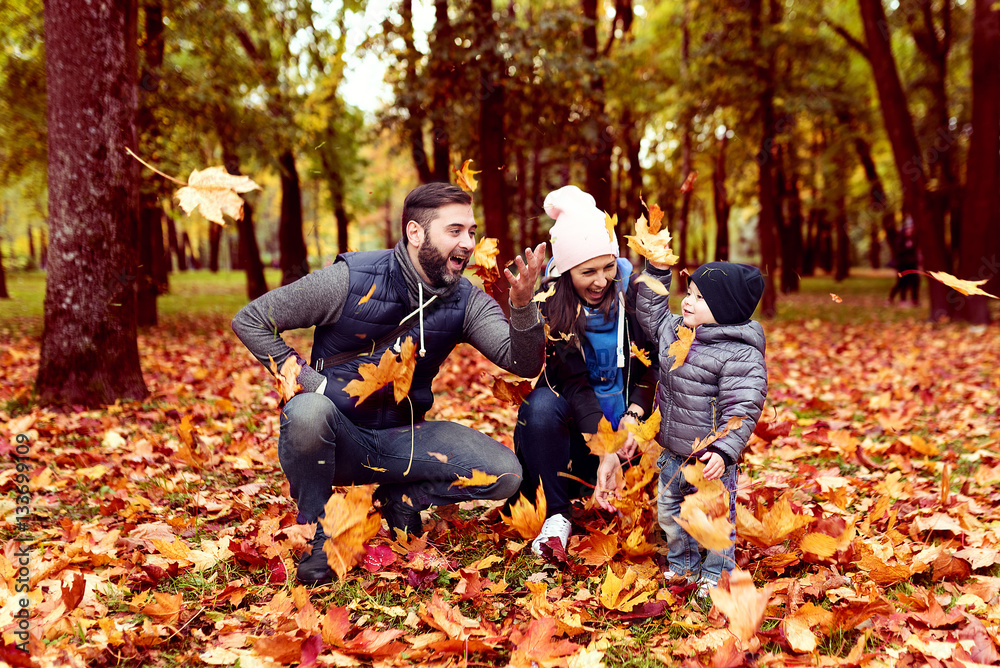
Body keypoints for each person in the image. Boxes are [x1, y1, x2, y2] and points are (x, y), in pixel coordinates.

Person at [232, 182, 547, 585]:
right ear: (415, 233)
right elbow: (252, 319)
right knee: (306, 410)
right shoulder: (350, 278)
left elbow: (521, 361)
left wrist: (521, 307)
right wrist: (316, 384)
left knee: (505, 473)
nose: (468, 242)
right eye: (455, 231)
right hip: (338, 438)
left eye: (471, 231)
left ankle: (400, 500)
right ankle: (322, 533)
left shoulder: (465, 300)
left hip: (405, 439)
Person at [509, 185, 658, 556]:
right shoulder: (552, 307)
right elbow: (573, 382)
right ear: (566, 270)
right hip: (577, 428)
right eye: (587, 271)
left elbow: (649, 364)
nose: (600, 280)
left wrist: (635, 416)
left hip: (630, 429)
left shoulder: (634, 293)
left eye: (608, 266)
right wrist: (603, 443)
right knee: (538, 407)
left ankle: (634, 491)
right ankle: (558, 515)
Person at [610, 259, 766, 597]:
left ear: (725, 309)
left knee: (713, 519)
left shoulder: (740, 354)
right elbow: (650, 314)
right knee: (670, 514)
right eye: (689, 292)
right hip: (672, 455)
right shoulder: (678, 331)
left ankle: (715, 574)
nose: (687, 301)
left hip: (710, 461)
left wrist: (725, 450)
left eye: (699, 297)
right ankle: (684, 567)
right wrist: (657, 272)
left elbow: (744, 407)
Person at [888, 216, 920, 306]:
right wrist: (906, 248)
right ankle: (899, 299)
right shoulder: (900, 241)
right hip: (903, 265)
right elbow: (898, 253)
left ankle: (915, 300)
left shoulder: (914, 240)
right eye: (907, 229)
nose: (909, 231)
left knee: (915, 282)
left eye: (910, 229)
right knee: (902, 283)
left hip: (912, 265)